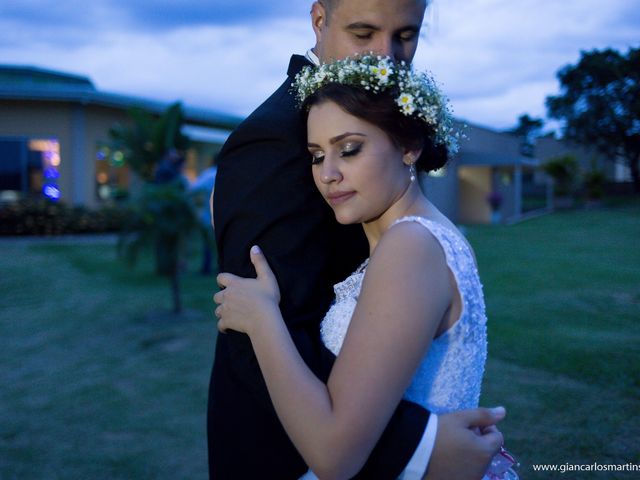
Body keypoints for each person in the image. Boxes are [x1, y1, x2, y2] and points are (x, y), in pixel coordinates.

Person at [209, 1, 506, 478]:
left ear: (409, 146)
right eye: (363, 32)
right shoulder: (272, 140)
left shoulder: (401, 200)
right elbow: (252, 333)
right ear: (319, 20)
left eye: (406, 37)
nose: (384, 57)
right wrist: (420, 446)